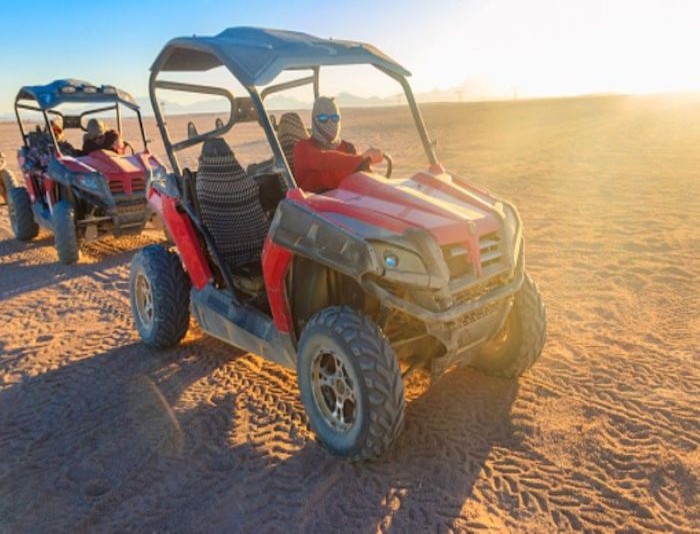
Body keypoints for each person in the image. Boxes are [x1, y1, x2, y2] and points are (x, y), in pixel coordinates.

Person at [293, 96, 383, 193]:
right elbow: (323, 160)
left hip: (344, 203)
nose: (331, 123)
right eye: (323, 118)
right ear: (314, 120)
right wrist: (361, 159)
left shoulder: (348, 148)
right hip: (310, 205)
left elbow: (361, 175)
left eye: (335, 118)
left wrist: (369, 160)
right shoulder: (303, 148)